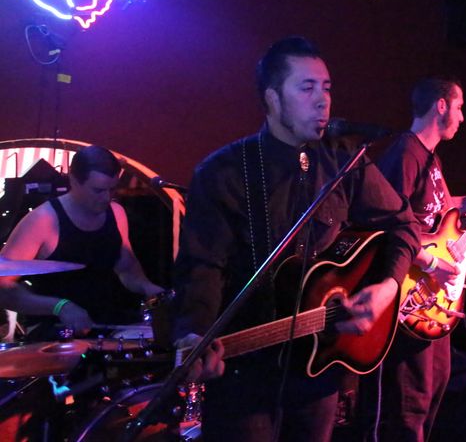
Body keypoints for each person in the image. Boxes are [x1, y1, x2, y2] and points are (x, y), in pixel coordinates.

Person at [171, 36, 419, 442]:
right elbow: (203, 265)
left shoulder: (344, 158)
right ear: (273, 98)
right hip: (247, 375)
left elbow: (403, 225)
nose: (323, 100)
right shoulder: (224, 172)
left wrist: (387, 287)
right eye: (307, 88)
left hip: (319, 372)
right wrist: (195, 332)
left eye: (327, 88)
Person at [367, 76, 466, 442]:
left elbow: (446, 208)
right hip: (411, 290)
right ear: (440, 105)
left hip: (434, 297)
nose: (463, 117)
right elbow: (388, 225)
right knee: (411, 399)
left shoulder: (430, 157)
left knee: (436, 383)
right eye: (459, 106)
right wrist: (433, 264)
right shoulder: (405, 153)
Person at [0, 145, 165, 340]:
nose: (107, 197)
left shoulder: (116, 213)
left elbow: (127, 269)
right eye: (98, 190)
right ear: (74, 180)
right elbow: (3, 289)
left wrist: (150, 289)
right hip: (53, 331)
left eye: (112, 189)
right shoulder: (43, 220)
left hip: (104, 324)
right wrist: (60, 306)